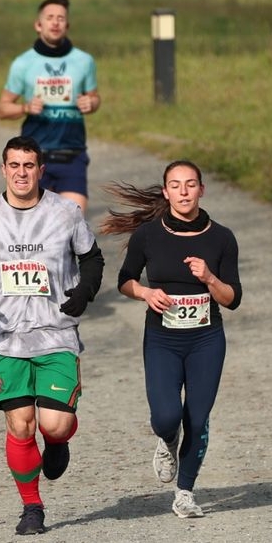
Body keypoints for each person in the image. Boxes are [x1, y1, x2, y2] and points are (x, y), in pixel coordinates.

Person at [0, 136, 105, 535]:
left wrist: (84, 292)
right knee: (20, 425)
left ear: (41, 170)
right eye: (14, 165)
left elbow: (92, 259)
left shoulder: (65, 212)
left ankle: (57, 443)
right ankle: (31, 508)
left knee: (54, 425)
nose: (21, 173)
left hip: (56, 333)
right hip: (5, 336)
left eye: (29, 165)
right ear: (3, 170)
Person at [101, 160, 242, 519]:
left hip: (206, 340)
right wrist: (146, 294)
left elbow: (232, 299)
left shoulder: (221, 237)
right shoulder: (148, 235)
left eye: (190, 184)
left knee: (197, 417)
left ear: (201, 190)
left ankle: (185, 492)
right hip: (162, 339)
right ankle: (167, 440)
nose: (183, 192)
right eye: (176, 185)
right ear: (165, 192)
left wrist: (209, 278)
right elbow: (125, 280)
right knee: (166, 417)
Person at [0, 0, 100, 212]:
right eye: (50, 18)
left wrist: (90, 103)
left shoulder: (84, 61)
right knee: (33, 221)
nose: (55, 23)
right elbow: (3, 108)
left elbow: (95, 98)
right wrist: (25, 108)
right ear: (38, 24)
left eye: (60, 18)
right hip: (33, 155)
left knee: (74, 218)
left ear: (67, 25)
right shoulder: (23, 63)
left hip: (71, 152)